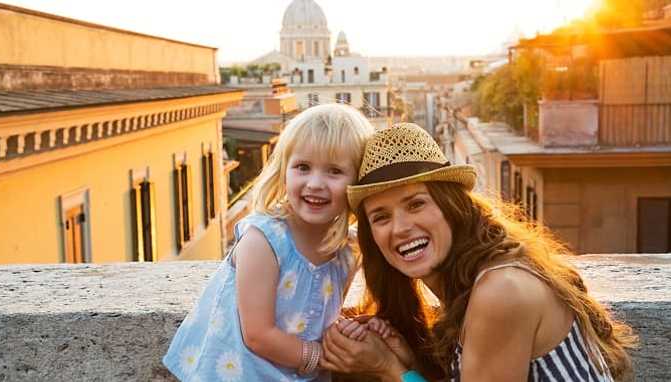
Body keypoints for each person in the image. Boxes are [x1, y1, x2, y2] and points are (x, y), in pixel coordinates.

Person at [321, 123, 636, 381]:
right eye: (381, 217)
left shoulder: (501, 291)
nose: (400, 228)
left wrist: (388, 368)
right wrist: (406, 357)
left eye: (416, 204)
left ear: (452, 207)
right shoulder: (477, 282)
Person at [163, 103, 375, 381]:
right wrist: (323, 356)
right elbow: (258, 335)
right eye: (303, 167)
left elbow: (319, 319)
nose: (314, 183)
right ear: (283, 170)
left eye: (334, 171)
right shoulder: (264, 240)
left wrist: (355, 329)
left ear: (357, 182)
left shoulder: (346, 252)